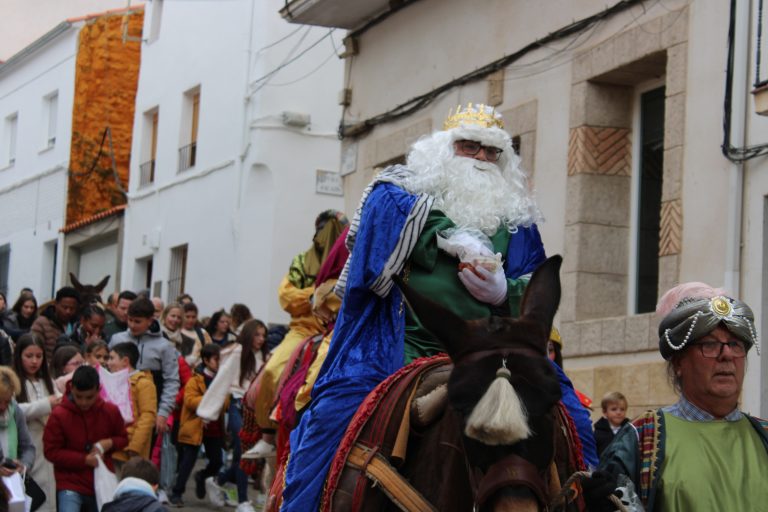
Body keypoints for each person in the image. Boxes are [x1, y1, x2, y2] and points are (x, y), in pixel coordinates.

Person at [281, 104, 550, 510]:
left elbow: (537, 292)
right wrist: (452, 236)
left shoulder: (516, 222)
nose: (480, 158)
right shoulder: (399, 192)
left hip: (494, 355)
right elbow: (379, 238)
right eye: (469, 146)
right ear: (444, 149)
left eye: (491, 151)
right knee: (327, 427)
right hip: (395, 353)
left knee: (573, 425)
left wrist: (504, 293)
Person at [589, 282, 768, 511]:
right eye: (710, 344)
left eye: (735, 344)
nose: (727, 355)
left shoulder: (763, 436)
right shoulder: (643, 439)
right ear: (678, 362)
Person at [248, 210, 347, 461]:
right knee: (272, 370)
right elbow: (286, 296)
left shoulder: (349, 260)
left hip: (339, 328)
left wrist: (324, 296)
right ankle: (268, 435)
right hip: (303, 329)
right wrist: (314, 296)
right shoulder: (302, 262)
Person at [200, 319, 268, 510]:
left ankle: (218, 481)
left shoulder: (264, 356)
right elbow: (221, 381)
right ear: (248, 334)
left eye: (264, 335)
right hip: (238, 407)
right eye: (257, 334)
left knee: (247, 457)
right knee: (245, 454)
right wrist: (207, 412)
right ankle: (243, 501)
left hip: (255, 412)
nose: (261, 339)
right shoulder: (237, 353)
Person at [43, 365, 128, 512]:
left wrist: (110, 443)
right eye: (78, 397)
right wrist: (84, 460)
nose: (84, 402)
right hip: (69, 483)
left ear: (98, 390)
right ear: (72, 389)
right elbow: (51, 451)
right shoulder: (59, 415)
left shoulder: (110, 411)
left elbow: (124, 439)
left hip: (102, 482)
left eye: (89, 397)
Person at [109, 298, 180, 437]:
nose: (132, 325)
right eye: (130, 320)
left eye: (138, 321)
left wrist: (163, 412)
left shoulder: (164, 346)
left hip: (150, 409)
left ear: (150, 320)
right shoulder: (117, 339)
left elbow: (171, 380)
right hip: (118, 406)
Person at [170, 344, 228, 507]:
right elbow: (189, 400)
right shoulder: (196, 379)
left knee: (217, 461)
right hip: (195, 426)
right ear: (206, 360)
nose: (219, 363)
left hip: (214, 429)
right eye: (216, 359)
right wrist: (211, 401)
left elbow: (226, 402)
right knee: (188, 461)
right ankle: (177, 492)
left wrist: (218, 402)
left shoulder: (221, 380)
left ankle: (202, 476)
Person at [13, 334, 59, 512]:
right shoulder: (15, 382)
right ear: (19, 356)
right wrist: (46, 405)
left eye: (39, 356)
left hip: (48, 446)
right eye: (29, 356)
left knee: (49, 494)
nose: (34, 361)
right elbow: (16, 409)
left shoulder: (47, 382)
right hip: (26, 446)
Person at [109, 343, 157, 464]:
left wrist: (135, 447)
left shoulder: (143, 383)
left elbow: (148, 417)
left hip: (130, 451)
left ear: (125, 361)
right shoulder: (112, 382)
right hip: (111, 447)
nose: (108, 363)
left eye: (112, 358)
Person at [0, 366, 36, 481]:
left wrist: (23, 466)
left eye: (7, 401)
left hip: (11, 483)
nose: (3, 406)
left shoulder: (15, 410)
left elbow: (28, 448)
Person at [31, 287, 81, 361]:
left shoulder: (77, 325)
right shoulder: (41, 323)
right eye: (65, 307)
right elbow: (34, 347)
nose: (68, 311)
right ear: (56, 304)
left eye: (72, 308)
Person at [593, 391, 629, 457]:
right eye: (614, 409)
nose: (618, 412)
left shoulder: (630, 430)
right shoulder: (598, 433)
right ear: (605, 412)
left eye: (622, 409)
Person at [180, 303, 211, 367]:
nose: (190, 320)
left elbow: (210, 352)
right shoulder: (176, 333)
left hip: (199, 372)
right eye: (187, 317)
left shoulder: (202, 333)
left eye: (193, 317)